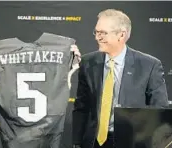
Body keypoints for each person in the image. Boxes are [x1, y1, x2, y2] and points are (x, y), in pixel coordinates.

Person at [72, 9, 169, 148]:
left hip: (132, 143)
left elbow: (159, 109)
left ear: (121, 35)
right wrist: (76, 142)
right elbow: (81, 106)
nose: (97, 37)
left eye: (103, 33)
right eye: (96, 32)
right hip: (93, 142)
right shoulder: (88, 62)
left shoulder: (149, 65)